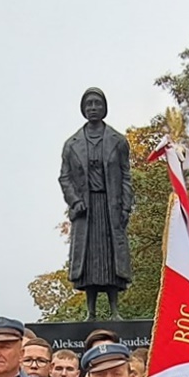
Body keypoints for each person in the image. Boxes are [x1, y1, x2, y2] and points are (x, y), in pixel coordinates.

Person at [58, 86, 134, 320]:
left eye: (97, 104)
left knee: (111, 258)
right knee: (89, 259)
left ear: (104, 108)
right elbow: (65, 177)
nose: (93, 108)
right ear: (83, 109)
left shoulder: (118, 141)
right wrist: (75, 200)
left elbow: (126, 176)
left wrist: (125, 207)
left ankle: (114, 310)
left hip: (110, 206)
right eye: (89, 104)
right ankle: (90, 312)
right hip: (86, 210)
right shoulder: (72, 144)